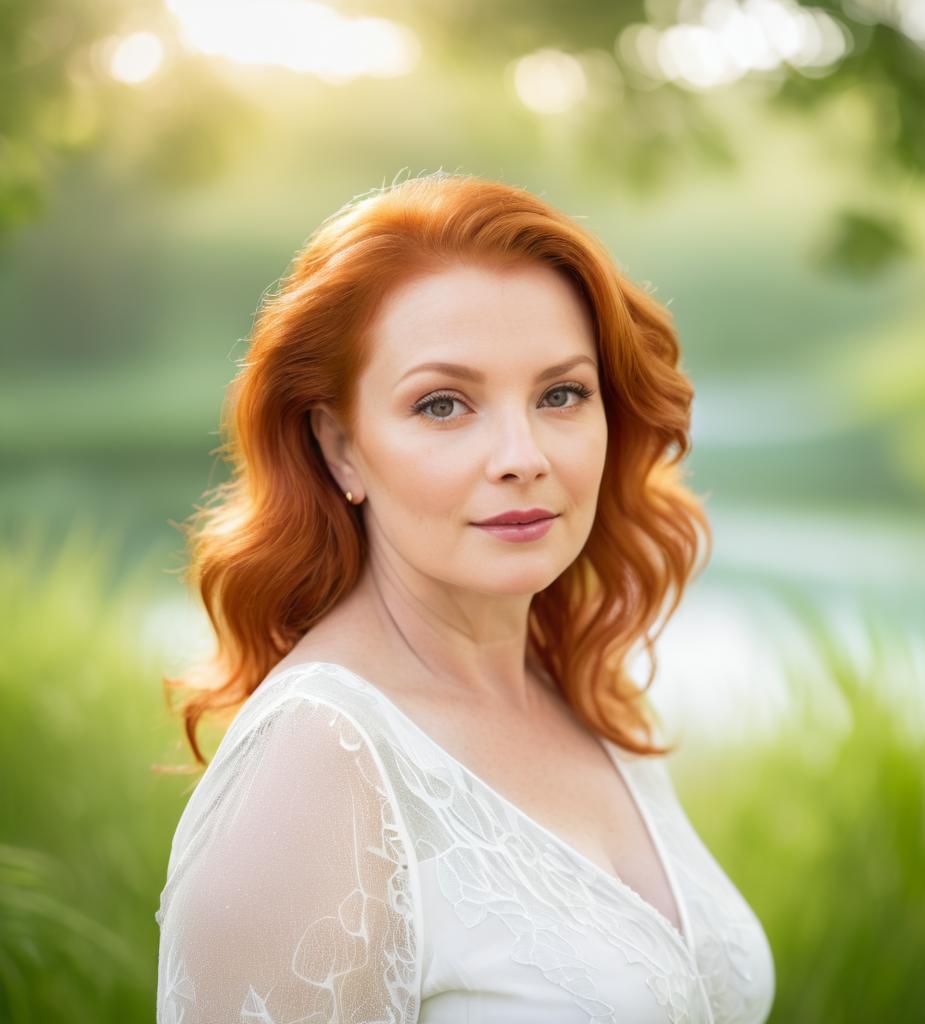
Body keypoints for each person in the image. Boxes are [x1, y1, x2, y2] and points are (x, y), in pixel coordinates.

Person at [154, 170, 775, 1023]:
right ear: (340, 447)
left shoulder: (577, 688)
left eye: (562, 394)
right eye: (444, 404)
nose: (522, 454)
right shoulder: (317, 764)